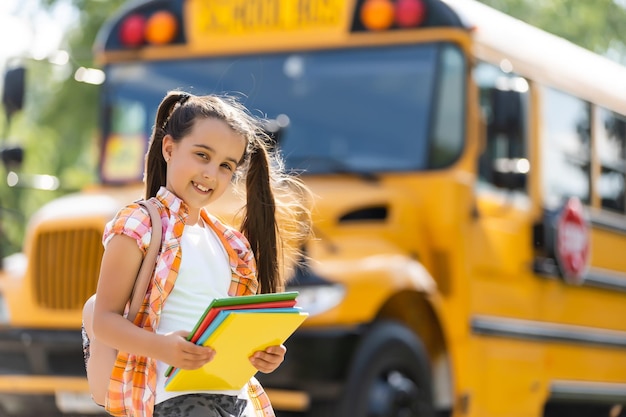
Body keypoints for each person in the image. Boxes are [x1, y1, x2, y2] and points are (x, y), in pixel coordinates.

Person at [91, 91, 313, 417]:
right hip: (170, 397)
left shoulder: (230, 243)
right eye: (202, 155)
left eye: (226, 165)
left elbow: (229, 328)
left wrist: (261, 353)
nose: (211, 173)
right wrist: (163, 347)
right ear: (169, 148)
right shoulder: (140, 223)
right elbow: (104, 321)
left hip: (235, 398)